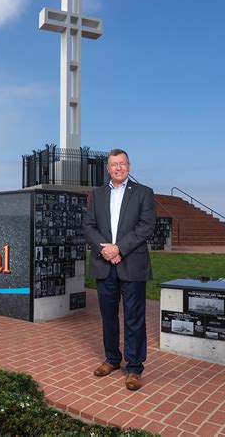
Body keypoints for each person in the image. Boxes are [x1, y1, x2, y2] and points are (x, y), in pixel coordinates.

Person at [83, 148, 156, 391]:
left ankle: (134, 368)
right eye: (114, 164)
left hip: (131, 264)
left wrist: (119, 249)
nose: (118, 168)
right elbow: (89, 226)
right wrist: (105, 250)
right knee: (108, 315)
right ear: (108, 168)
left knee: (134, 317)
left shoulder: (144, 193)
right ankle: (112, 359)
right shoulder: (97, 194)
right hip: (105, 265)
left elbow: (147, 226)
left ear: (129, 167)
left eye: (122, 164)